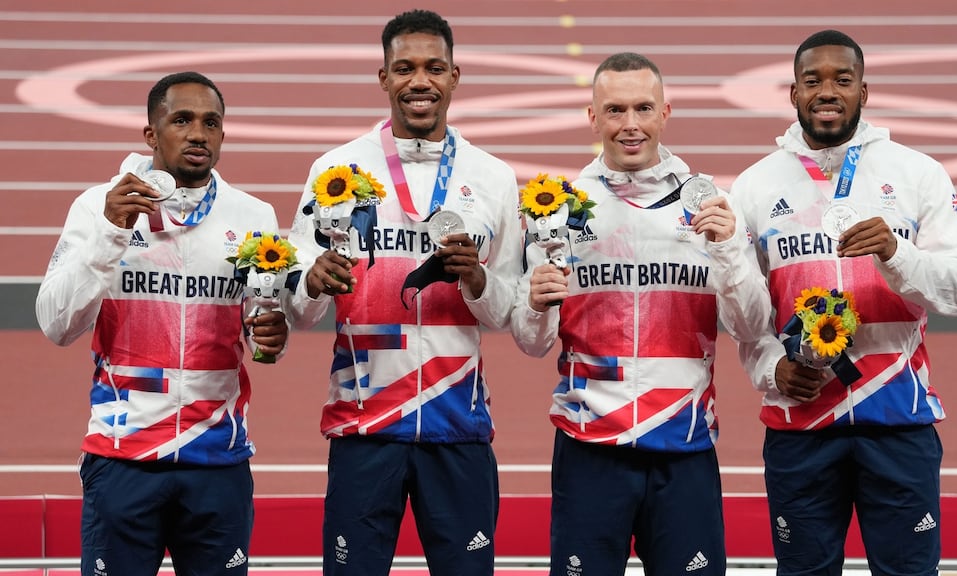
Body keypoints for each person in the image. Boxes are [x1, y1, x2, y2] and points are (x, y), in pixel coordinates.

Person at [730, 29, 957, 576]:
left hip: (898, 422)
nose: (828, 91)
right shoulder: (753, 188)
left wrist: (899, 254)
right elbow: (744, 318)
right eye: (812, 80)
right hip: (801, 426)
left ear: (864, 93)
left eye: (842, 80)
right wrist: (772, 368)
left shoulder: (917, 174)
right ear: (793, 94)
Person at [510, 52, 770, 576]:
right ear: (593, 117)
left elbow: (750, 326)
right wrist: (535, 304)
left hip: (684, 445)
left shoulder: (711, 207)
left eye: (643, 109)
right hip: (589, 447)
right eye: (615, 110)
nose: (630, 125)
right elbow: (531, 340)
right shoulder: (558, 208)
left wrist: (727, 253)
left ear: (666, 112)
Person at [284, 9, 521, 576]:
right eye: (405, 68)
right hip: (364, 427)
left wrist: (478, 280)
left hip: (458, 428)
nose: (421, 81)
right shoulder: (335, 170)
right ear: (384, 78)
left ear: (455, 77)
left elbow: (510, 310)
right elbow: (298, 306)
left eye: (434, 68)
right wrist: (311, 283)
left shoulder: (493, 177)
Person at [35, 71, 291, 575]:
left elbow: (262, 330)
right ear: (151, 134)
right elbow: (56, 324)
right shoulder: (97, 207)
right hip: (123, 457)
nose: (198, 133)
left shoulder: (254, 214)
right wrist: (110, 233)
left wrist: (273, 336)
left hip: (217, 459)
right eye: (182, 120)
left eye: (211, 122)